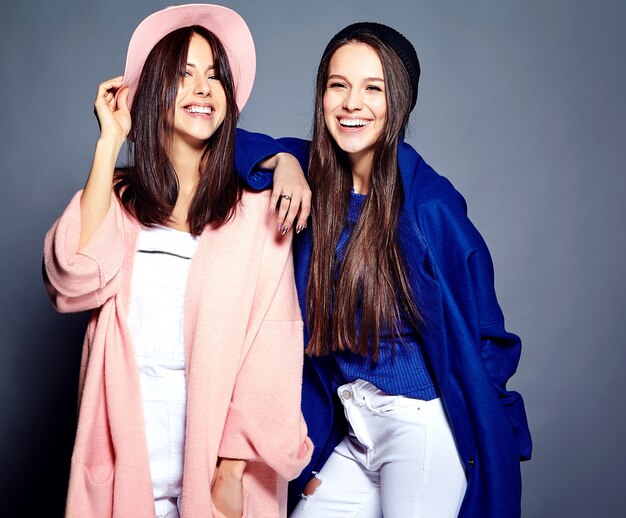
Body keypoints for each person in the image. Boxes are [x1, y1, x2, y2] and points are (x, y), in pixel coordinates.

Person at [236, 22, 532, 518]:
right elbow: (224, 147)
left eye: (373, 88)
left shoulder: (430, 206)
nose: (352, 103)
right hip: (356, 422)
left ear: (399, 102)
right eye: (338, 85)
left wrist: (493, 430)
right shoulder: (312, 174)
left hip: (421, 427)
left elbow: (488, 335)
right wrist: (282, 159)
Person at [42, 5, 312, 517]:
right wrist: (109, 143)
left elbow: (273, 347)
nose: (203, 89)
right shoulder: (117, 201)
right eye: (184, 75)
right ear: (155, 91)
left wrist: (232, 469)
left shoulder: (256, 212)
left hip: (216, 465)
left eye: (214, 77)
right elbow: (73, 278)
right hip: (125, 457)